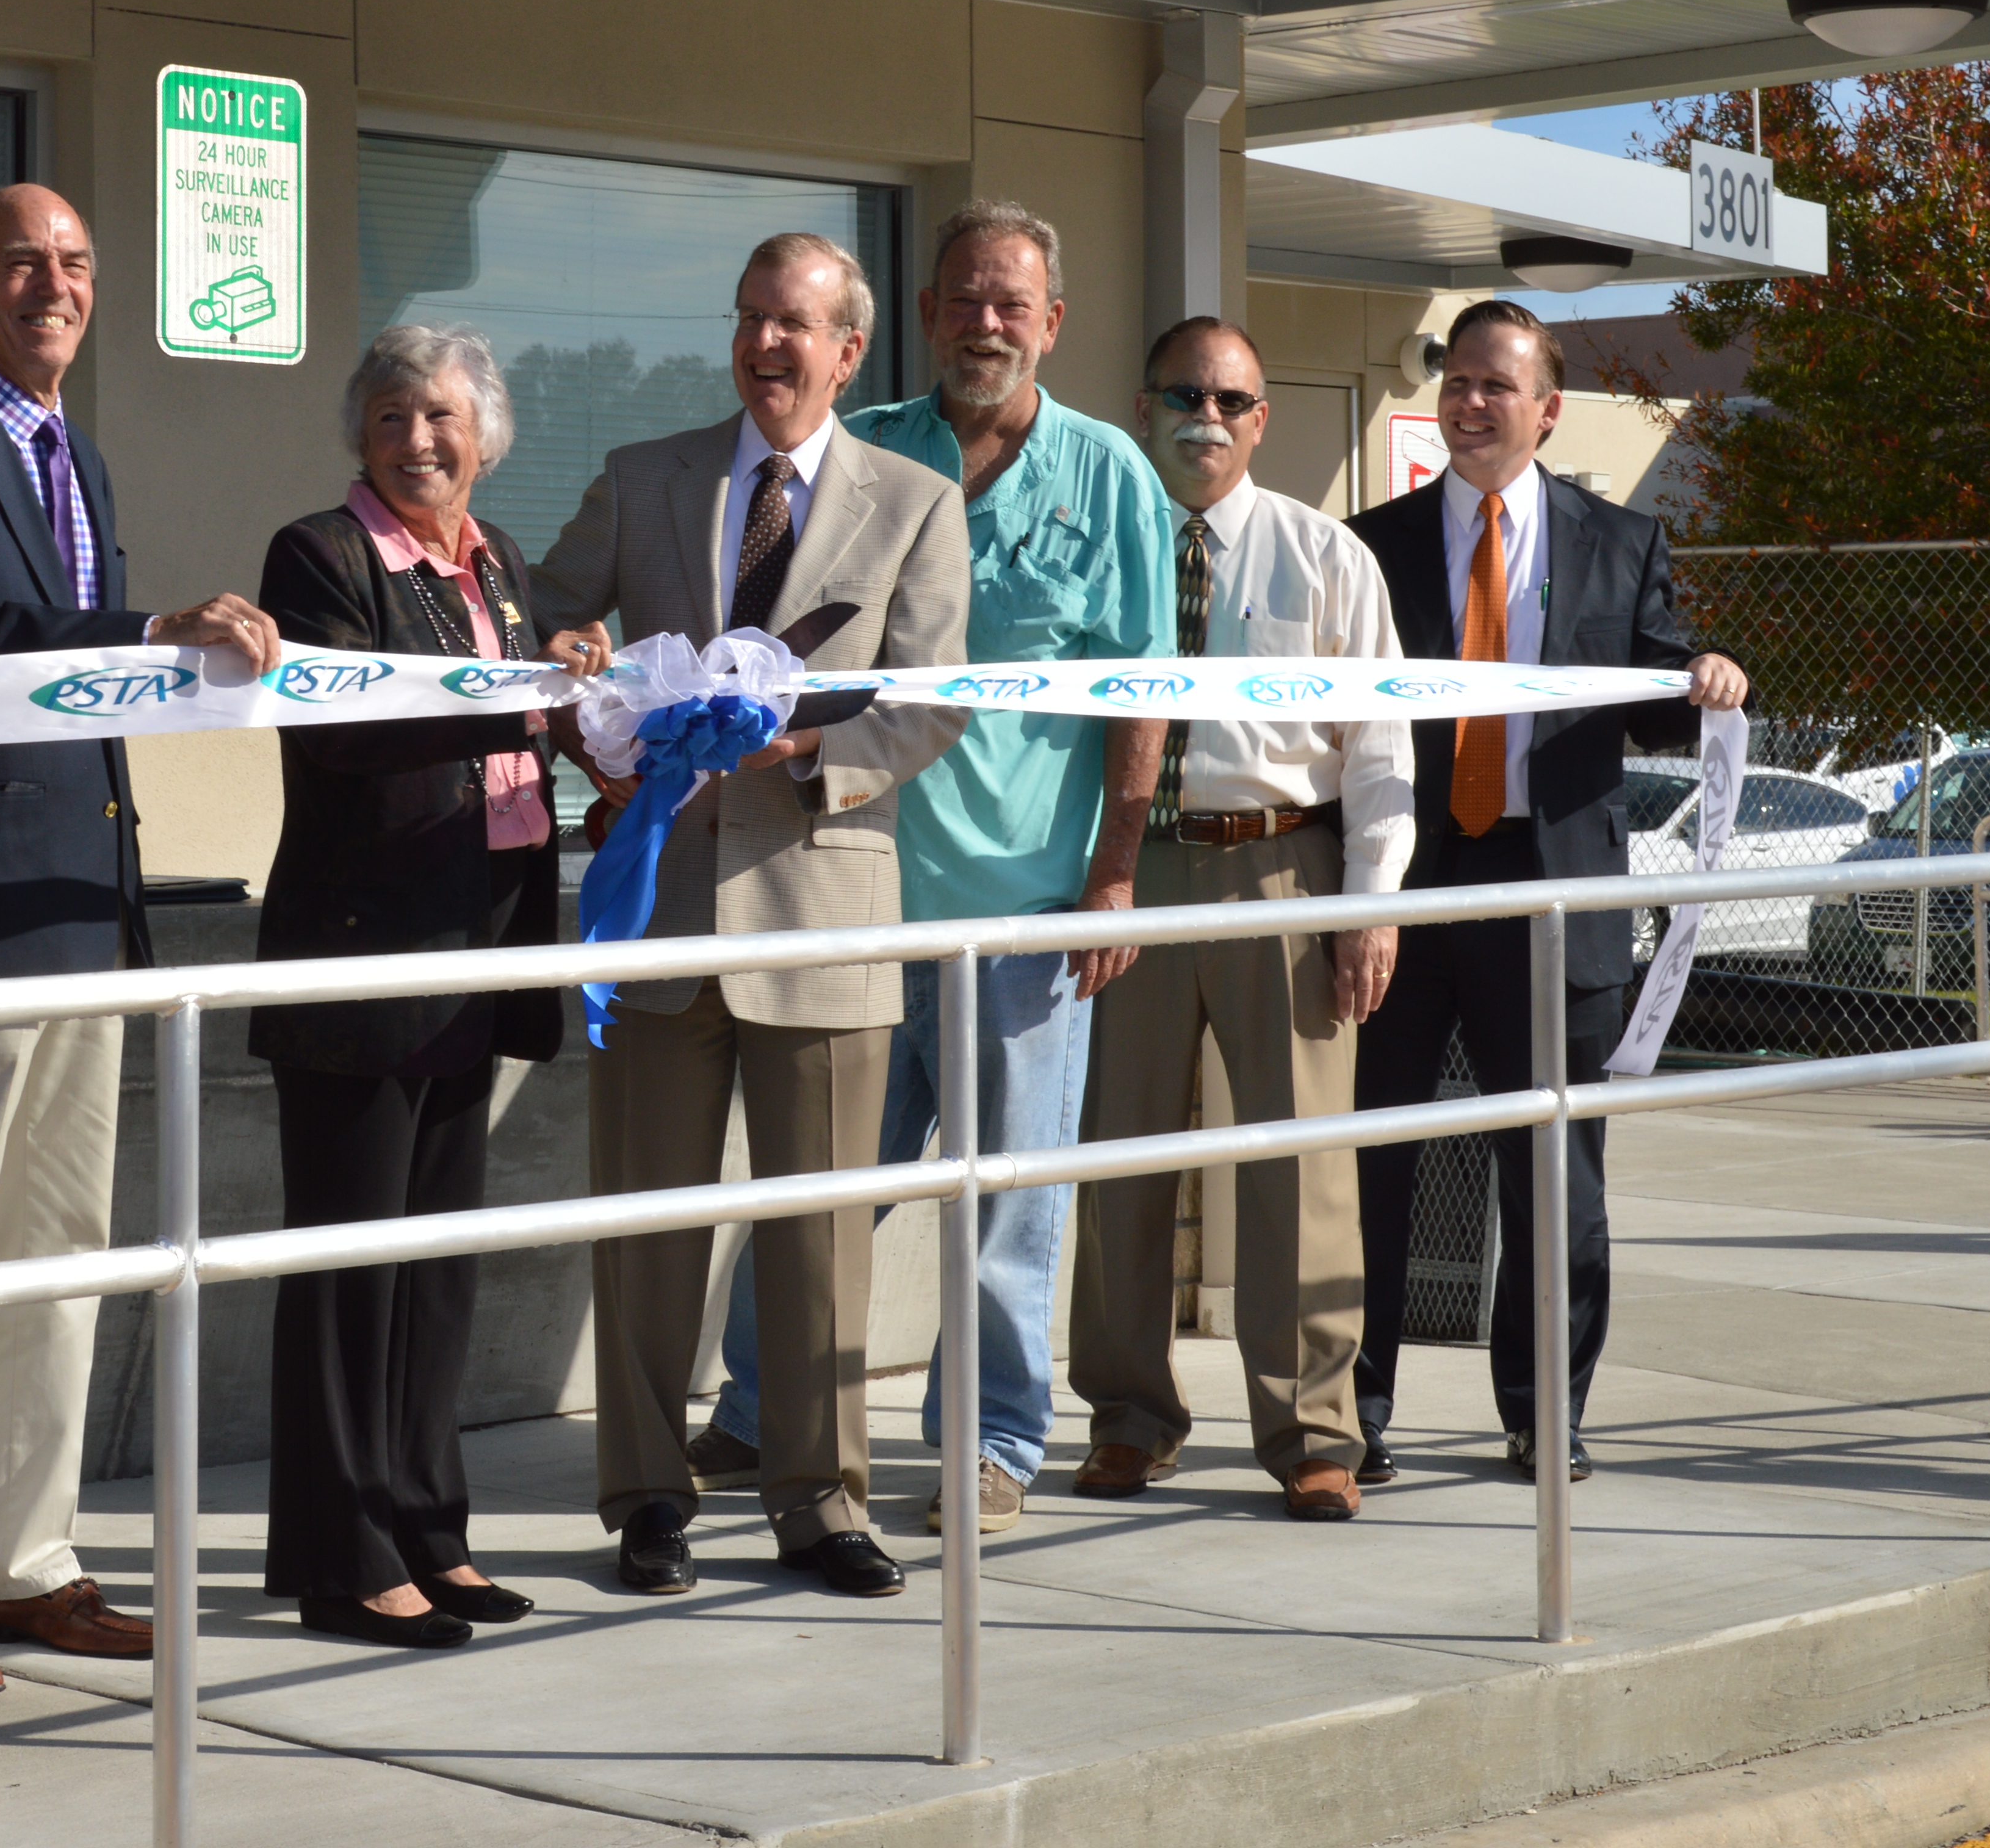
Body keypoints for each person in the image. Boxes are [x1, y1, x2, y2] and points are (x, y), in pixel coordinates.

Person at [0, 184, 280, 1702]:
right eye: (21, 262)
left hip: (85, 908)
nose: (52, 286)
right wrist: (141, 634)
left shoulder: (70, 443)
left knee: (55, 1260)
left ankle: (22, 1562)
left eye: (77, 264)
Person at [697, 203, 1167, 1537]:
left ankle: (991, 1441)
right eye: (962, 298)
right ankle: (756, 1408)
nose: (984, 323)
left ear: (1051, 323)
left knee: (1006, 1196)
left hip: (1023, 905)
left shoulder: (1110, 474)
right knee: (819, 1177)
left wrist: (1113, 872)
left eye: (1010, 303)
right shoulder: (862, 448)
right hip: (851, 884)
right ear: (922, 313)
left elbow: (1144, 690)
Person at [532, 231, 968, 1601]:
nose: (767, 346)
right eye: (749, 321)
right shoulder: (641, 476)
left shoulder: (913, 498)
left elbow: (933, 694)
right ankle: (646, 1494)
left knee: (823, 1234)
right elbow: (542, 623)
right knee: (646, 1226)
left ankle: (820, 1497)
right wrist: (574, 689)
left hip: (823, 906)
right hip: (659, 912)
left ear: (849, 349)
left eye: (797, 325)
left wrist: (810, 761)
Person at [1346, 300, 1748, 1483]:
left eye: (1495, 386)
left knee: (1554, 1172)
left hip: (1553, 891)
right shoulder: (1367, 545)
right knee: (1371, 1160)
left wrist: (1703, 676)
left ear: (1546, 409)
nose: (1468, 404)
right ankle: (1351, 1417)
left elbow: (1651, 685)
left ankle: (1540, 1413)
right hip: (1403, 885)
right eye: (1453, 383)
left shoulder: (1620, 544)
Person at [248, 325, 606, 1650]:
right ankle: (342, 1556)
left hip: (482, 940)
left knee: (435, 1265)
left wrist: (590, 705)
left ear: (486, 432)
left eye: (442, 417)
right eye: (393, 416)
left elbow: (531, 727)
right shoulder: (317, 555)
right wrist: (518, 695)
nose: (418, 441)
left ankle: (426, 1527)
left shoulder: (500, 559)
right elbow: (349, 728)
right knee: (347, 1271)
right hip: (363, 959)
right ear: (360, 432)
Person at [1066, 319, 1415, 1522]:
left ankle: (1313, 1429)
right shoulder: (1099, 561)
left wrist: (1369, 906)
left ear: (1261, 417)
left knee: (1302, 1170)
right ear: (1142, 405)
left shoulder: (1324, 557)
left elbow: (1378, 747)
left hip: (1282, 875)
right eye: (1180, 394)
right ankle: (1126, 1416)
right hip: (1128, 875)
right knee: (1114, 1162)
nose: (1203, 416)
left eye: (1230, 397)